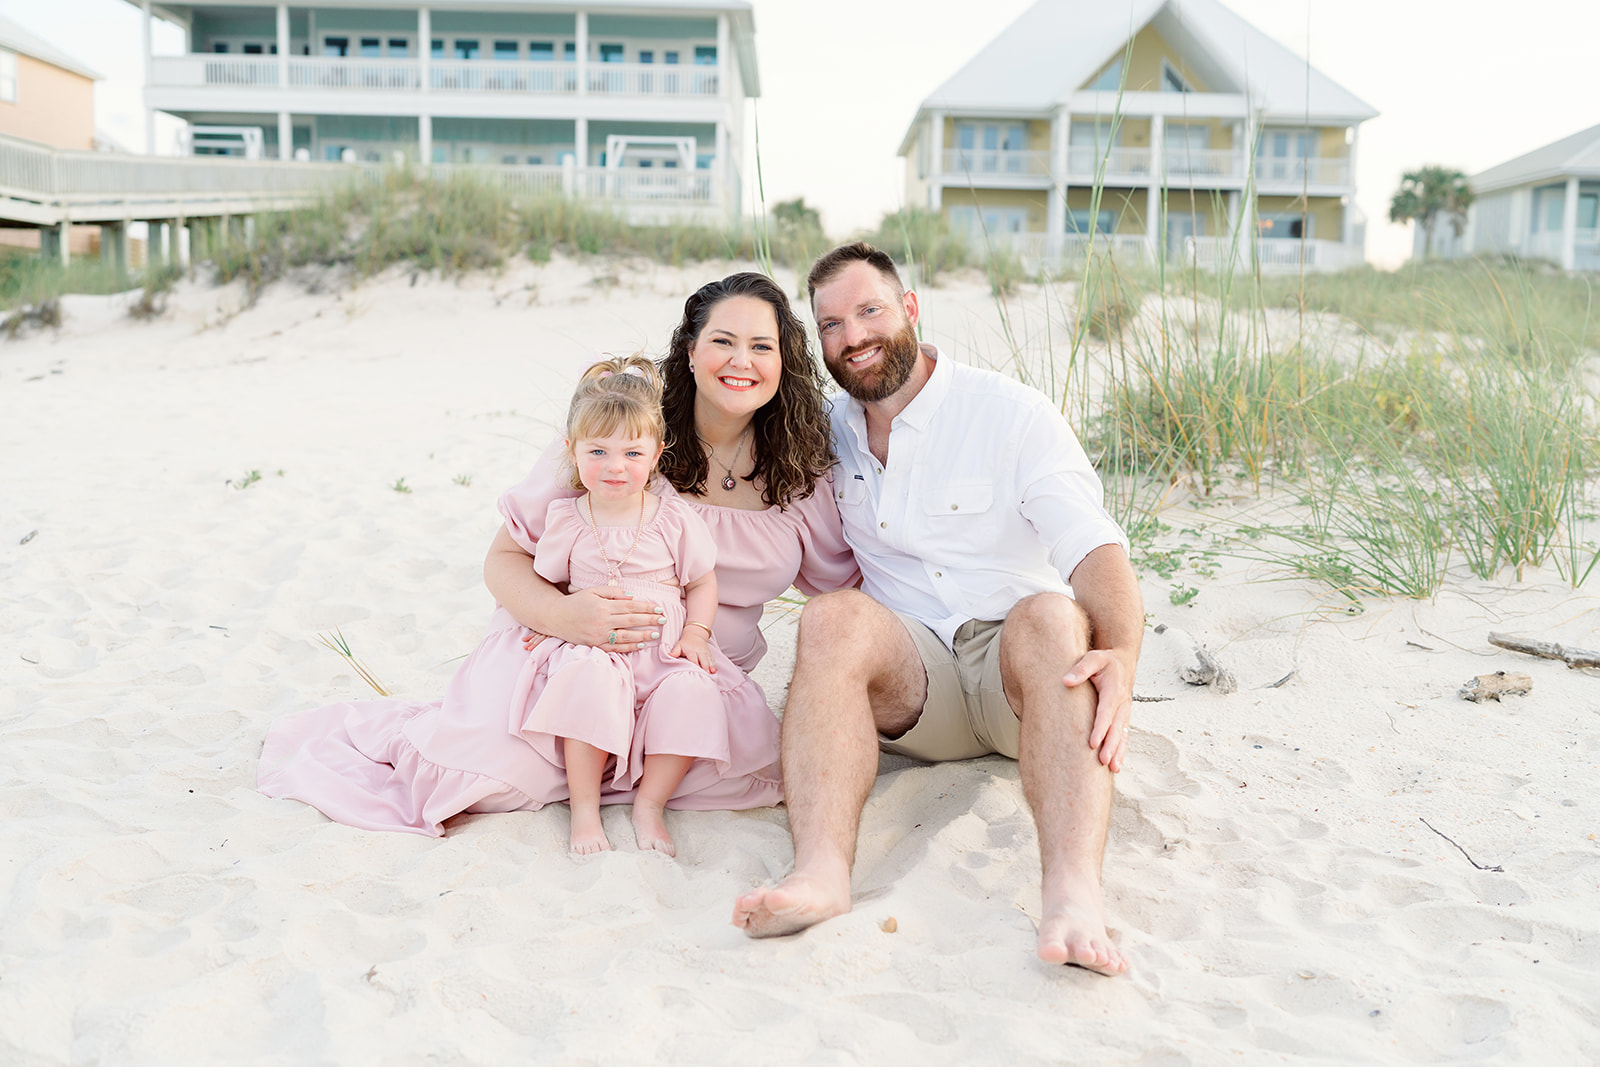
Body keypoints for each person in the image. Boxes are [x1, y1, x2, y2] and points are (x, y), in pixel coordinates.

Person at [259, 272, 859, 849]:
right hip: (565, 658)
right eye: (722, 341)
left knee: (749, 780)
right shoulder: (620, 433)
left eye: (762, 345)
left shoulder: (801, 469)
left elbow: (845, 589)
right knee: (486, 785)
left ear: (786, 361)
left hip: (686, 676)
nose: (741, 361)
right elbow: (503, 558)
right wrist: (565, 616)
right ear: (690, 350)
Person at [731, 243, 1143, 976]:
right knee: (831, 616)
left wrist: (1125, 656)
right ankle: (821, 873)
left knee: (1051, 614)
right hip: (918, 684)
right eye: (830, 324)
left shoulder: (1008, 413)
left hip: (1025, 682)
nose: (853, 336)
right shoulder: (826, 432)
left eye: (869, 311)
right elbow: (718, 448)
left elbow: (1093, 548)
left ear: (910, 309)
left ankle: (1074, 893)